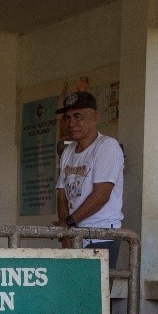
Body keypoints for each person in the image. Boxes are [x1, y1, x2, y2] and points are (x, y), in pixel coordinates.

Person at [54, 90, 125, 268]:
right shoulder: (68, 151)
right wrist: (67, 231)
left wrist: (68, 223)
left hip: (100, 235)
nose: (71, 123)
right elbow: (62, 195)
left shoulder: (107, 146)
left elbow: (101, 195)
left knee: (95, 295)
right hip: (74, 235)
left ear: (95, 117)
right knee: (73, 293)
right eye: (67, 117)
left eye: (78, 116)